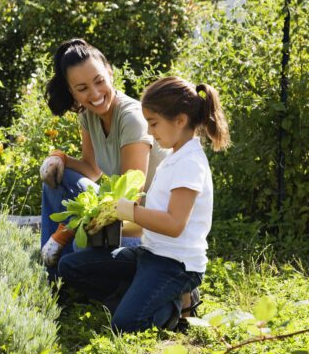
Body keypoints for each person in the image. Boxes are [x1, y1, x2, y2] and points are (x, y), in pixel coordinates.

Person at [59, 76, 230, 332]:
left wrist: (131, 210)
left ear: (180, 120)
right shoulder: (173, 158)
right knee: (71, 266)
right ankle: (139, 294)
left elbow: (174, 225)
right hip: (149, 254)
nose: (149, 132)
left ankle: (176, 304)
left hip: (176, 265)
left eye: (154, 123)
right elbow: (150, 224)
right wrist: (110, 225)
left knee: (124, 325)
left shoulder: (190, 164)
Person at [39, 38, 168, 276]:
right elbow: (91, 169)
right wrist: (60, 158)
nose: (95, 94)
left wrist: (69, 229)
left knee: (81, 244)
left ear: (110, 72)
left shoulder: (131, 119)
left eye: (99, 81)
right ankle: (52, 278)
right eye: (82, 88)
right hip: (117, 215)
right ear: (72, 92)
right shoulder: (89, 115)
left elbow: (130, 201)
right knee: (56, 177)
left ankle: (71, 276)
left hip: (145, 230)